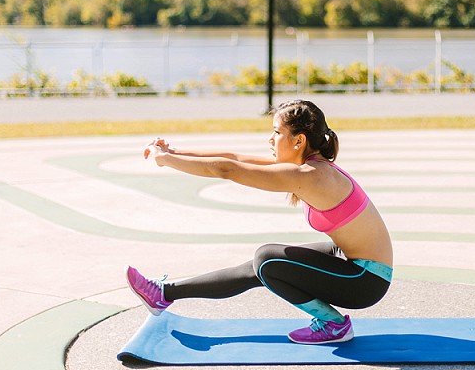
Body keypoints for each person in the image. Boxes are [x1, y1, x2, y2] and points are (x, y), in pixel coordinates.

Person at [126, 99, 393, 345]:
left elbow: (226, 170)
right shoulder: (309, 167)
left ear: (299, 140)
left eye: (277, 133)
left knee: (267, 259)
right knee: (261, 266)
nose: (270, 139)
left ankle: (334, 325)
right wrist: (175, 151)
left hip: (365, 280)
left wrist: (165, 160)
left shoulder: (311, 175)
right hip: (353, 264)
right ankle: (163, 294)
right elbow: (235, 159)